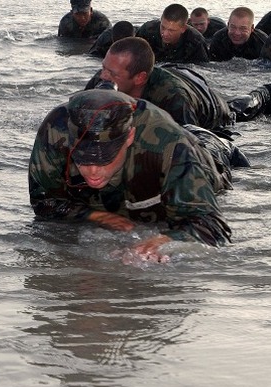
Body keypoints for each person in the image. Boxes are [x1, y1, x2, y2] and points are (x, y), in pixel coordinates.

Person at [28, 89, 237, 263]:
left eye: (103, 159)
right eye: (82, 158)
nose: (92, 170)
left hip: (211, 153)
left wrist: (167, 242)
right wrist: (96, 217)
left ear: (129, 137)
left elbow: (213, 227)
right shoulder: (55, 130)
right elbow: (44, 201)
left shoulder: (171, 146)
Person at [85, 37, 271, 131]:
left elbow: (189, 148)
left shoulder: (174, 99)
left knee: (241, 110)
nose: (103, 76)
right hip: (171, 71)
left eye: (112, 73)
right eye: (104, 68)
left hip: (209, 105)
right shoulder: (102, 78)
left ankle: (265, 92)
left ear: (139, 78)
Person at [135, 3, 209, 64]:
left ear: (183, 29)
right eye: (163, 27)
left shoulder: (197, 42)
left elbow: (202, 71)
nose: (165, 34)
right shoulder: (147, 30)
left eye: (171, 30)